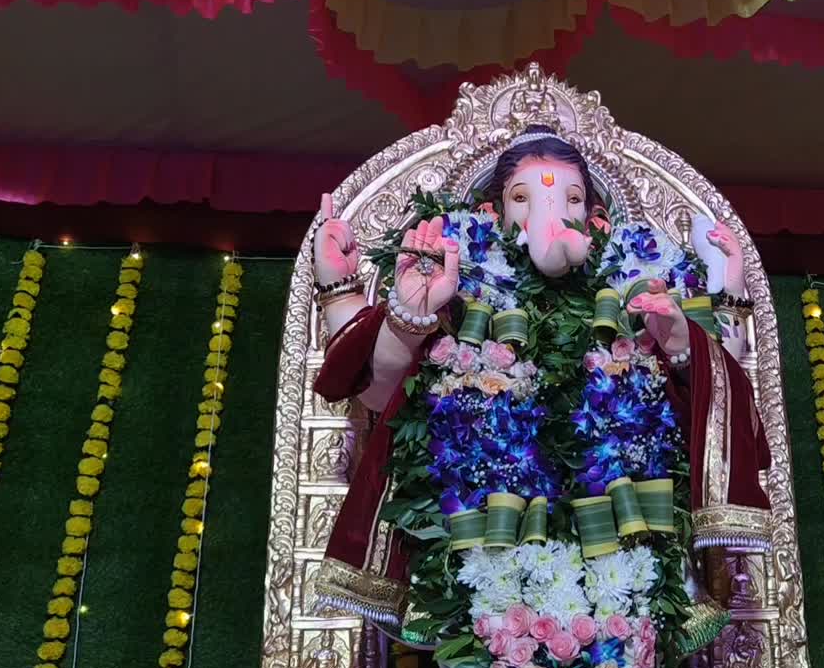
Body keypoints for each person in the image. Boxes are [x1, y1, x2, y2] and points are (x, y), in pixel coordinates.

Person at [308, 126, 772, 639]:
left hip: (625, 552)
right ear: (493, 214)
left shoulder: (634, 289)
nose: (550, 210)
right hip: (485, 541)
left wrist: (702, 317)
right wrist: (351, 294)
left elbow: (718, 404)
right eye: (522, 197)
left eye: (571, 197)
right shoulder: (461, 289)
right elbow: (376, 394)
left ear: (595, 221)